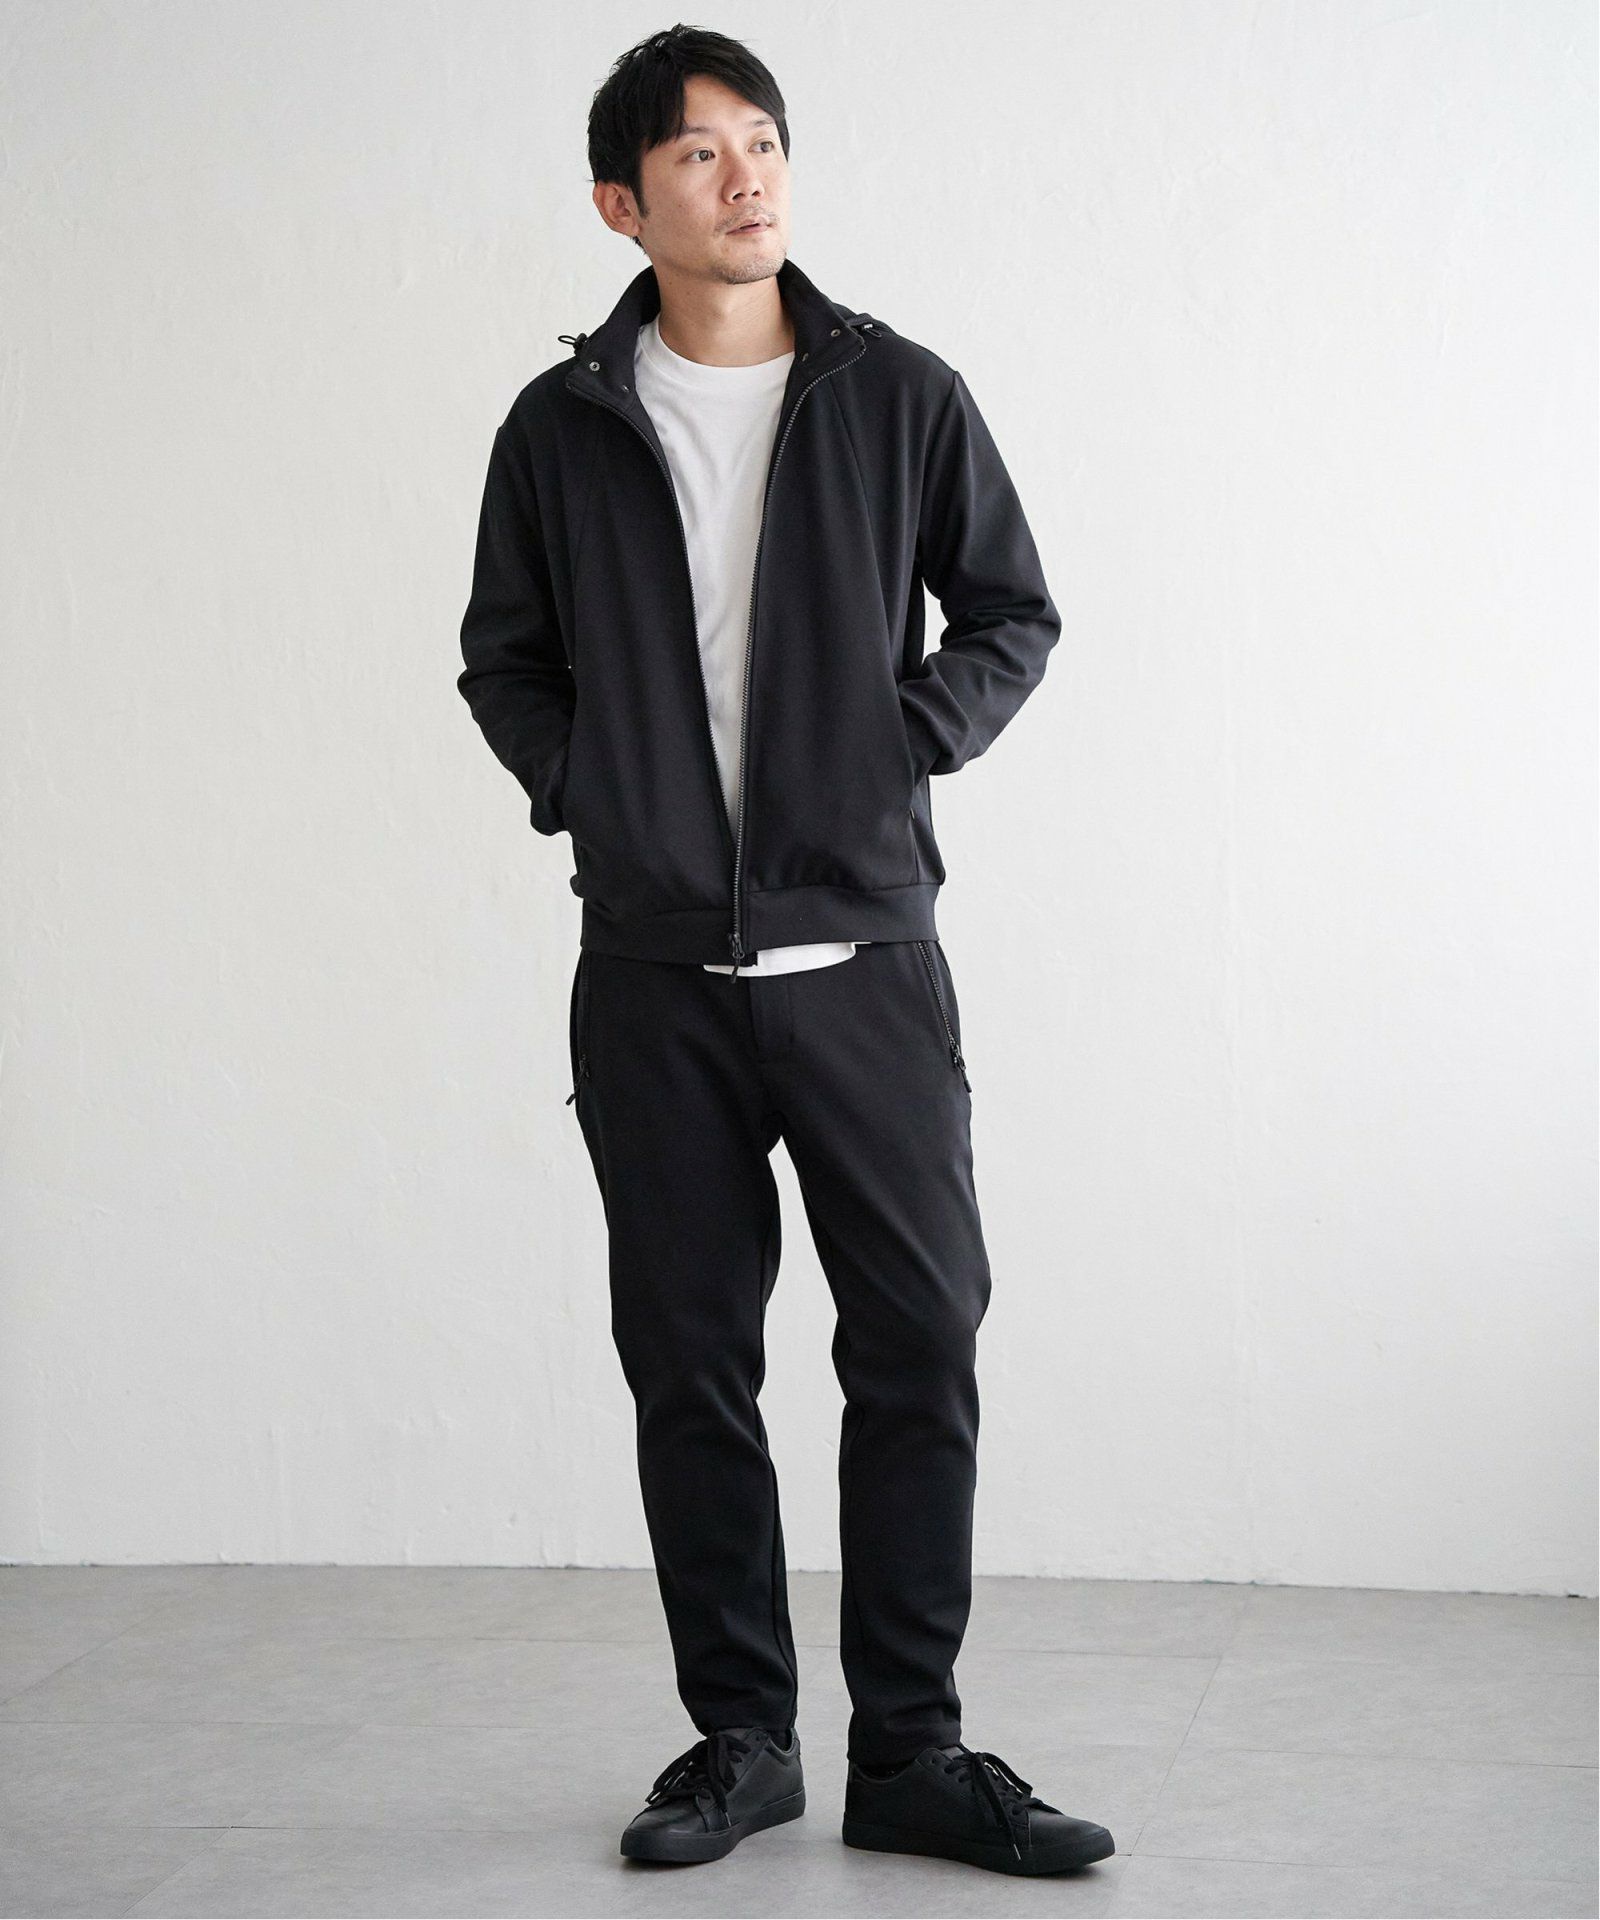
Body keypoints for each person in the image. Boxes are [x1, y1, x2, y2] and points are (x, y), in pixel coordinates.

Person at [456, 21, 1115, 1881]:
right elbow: (505, 659)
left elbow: (1011, 611)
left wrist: (895, 746)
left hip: (866, 966)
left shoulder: (897, 393)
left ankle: (912, 1749)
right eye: (699, 152)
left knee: (920, 1340)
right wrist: (592, 789)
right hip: (654, 975)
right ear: (623, 202)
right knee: (691, 1362)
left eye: (764, 140)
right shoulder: (561, 426)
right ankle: (743, 1740)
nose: (746, 176)